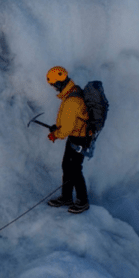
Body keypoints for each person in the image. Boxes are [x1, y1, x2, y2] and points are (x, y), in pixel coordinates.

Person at [44, 66, 90, 214]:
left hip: (78, 139)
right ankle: (66, 197)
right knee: (67, 166)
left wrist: (55, 134)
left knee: (75, 170)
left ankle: (83, 202)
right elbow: (69, 121)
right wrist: (57, 127)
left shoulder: (72, 101)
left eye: (53, 85)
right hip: (75, 136)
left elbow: (66, 130)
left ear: (59, 83)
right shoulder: (71, 92)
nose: (54, 88)